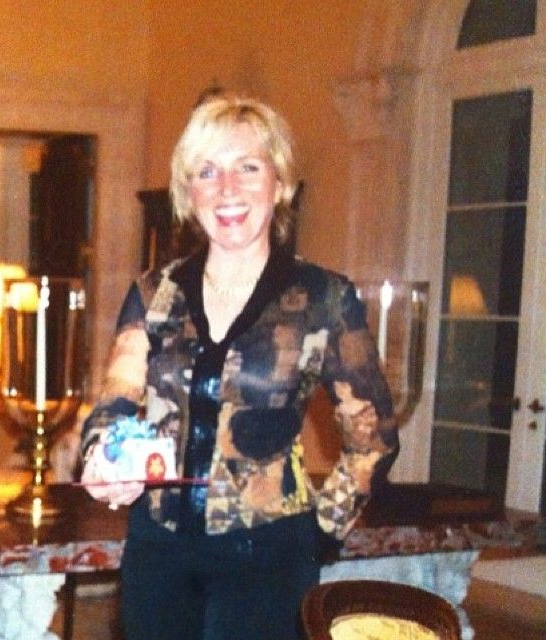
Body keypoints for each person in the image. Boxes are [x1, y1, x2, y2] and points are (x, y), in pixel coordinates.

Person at [80, 93, 399, 640]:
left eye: (248, 167)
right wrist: (99, 452)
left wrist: (320, 535)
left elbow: (374, 438)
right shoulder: (154, 292)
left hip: (268, 563)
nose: (227, 188)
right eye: (207, 171)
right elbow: (115, 397)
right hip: (157, 556)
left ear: (280, 182)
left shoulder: (323, 298)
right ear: (189, 193)